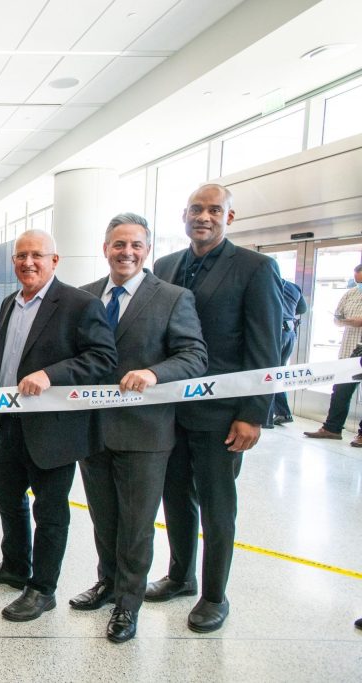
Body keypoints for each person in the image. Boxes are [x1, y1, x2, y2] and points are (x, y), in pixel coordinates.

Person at [149, 184, 282, 633]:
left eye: (213, 210)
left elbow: (266, 347)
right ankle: (180, 576)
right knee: (175, 498)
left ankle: (213, 595)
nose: (203, 216)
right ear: (184, 215)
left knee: (217, 506)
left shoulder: (256, 268)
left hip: (222, 416)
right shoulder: (166, 266)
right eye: (195, 209)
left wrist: (253, 412)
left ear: (230, 217)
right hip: (170, 411)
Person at [74, 214, 207, 643]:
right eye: (118, 244)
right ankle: (107, 582)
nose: (126, 252)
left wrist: (153, 373)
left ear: (146, 249)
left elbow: (194, 357)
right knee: (104, 519)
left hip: (145, 433)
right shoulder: (86, 296)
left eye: (134, 244)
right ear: (105, 248)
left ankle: (127, 607)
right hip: (93, 431)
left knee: (136, 526)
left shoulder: (172, 297)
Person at [0, 229, 117, 623]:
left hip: (54, 430)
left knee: (50, 510)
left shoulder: (79, 304)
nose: (28, 262)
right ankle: (15, 564)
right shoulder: (9, 304)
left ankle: (42, 588)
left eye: (37, 255)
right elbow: (6, 362)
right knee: (6, 494)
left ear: (55, 261)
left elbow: (103, 359)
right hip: (10, 423)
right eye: (21, 256)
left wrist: (52, 374)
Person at [304, 265, 362, 444]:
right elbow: (337, 317)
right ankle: (332, 428)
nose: (359, 284)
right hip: (349, 349)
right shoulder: (351, 294)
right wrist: (341, 320)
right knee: (340, 391)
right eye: (357, 281)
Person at [271, 278, 306, 426]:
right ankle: (283, 413)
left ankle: (266, 417)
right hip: (289, 333)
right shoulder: (293, 287)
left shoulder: (268, 283)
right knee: (276, 373)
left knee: (267, 375)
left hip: (274, 333)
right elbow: (302, 309)